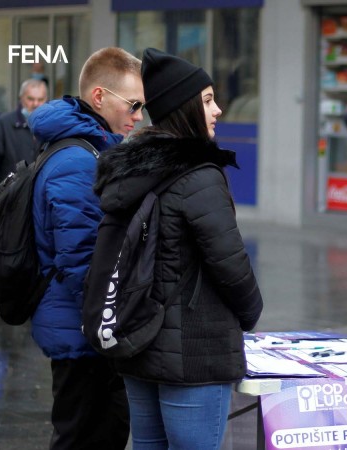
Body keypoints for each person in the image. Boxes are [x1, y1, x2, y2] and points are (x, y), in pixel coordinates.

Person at [92, 48, 264, 450]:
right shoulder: (199, 175)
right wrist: (251, 313)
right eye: (207, 100)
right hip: (194, 354)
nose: (218, 109)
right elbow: (231, 263)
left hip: (138, 341)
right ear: (183, 108)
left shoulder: (131, 169)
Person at [27, 47, 144, 450]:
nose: (138, 115)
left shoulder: (87, 150)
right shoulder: (78, 160)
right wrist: (110, 324)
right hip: (82, 333)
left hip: (81, 328)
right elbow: (82, 261)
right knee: (84, 436)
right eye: (133, 104)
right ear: (99, 97)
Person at [0, 78, 47, 206]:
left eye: (40, 100)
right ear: (21, 98)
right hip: (8, 205)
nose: (35, 104)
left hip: (38, 205)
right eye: (30, 99)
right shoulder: (3, 125)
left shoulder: (50, 128)